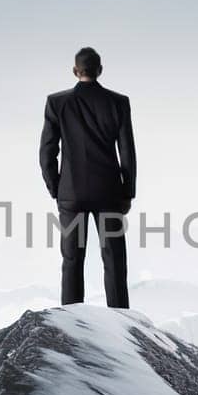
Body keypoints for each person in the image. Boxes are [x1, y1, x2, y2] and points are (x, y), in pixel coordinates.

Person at [39, 47, 136, 308]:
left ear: (75, 71)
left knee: (72, 260)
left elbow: (47, 151)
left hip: (71, 193)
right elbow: (127, 151)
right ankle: (121, 319)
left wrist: (56, 188)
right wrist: (128, 192)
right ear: (100, 70)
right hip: (109, 192)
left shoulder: (57, 103)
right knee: (114, 259)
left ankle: (71, 320)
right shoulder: (119, 102)